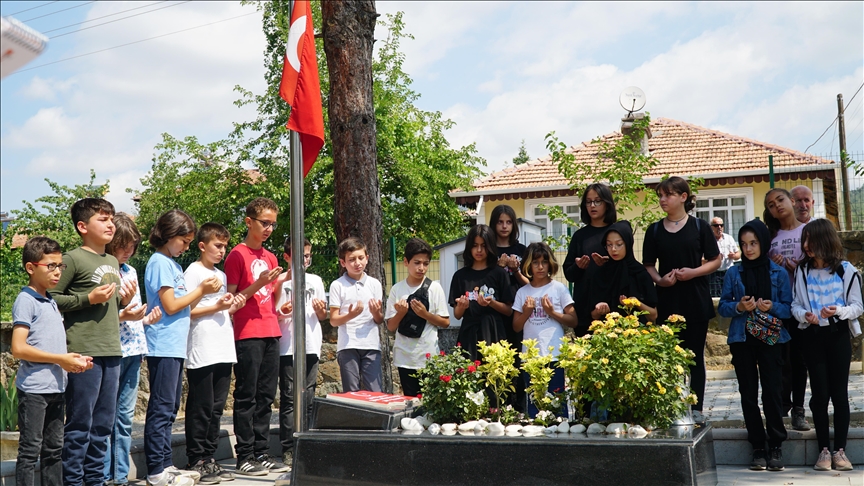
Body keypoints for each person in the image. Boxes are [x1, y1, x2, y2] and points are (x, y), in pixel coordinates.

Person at [49, 198, 138, 486]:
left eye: (111, 218)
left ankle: (96, 481)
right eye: (103, 219)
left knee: (103, 426)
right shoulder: (73, 259)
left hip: (113, 351)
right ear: (82, 226)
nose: (110, 224)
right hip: (82, 353)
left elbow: (109, 310)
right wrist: (89, 298)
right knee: (80, 426)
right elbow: (52, 299)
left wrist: (124, 304)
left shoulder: (113, 261)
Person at [144, 210, 221, 486]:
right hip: (162, 345)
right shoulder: (158, 262)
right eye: (184, 241)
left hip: (175, 346)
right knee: (162, 408)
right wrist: (201, 290)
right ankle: (156, 469)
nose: (186, 247)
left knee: (170, 406)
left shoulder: (173, 265)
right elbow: (171, 305)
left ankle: (166, 465)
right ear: (168, 235)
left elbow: (184, 306)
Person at [12, 237, 93, 486]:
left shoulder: (51, 301)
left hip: (57, 387)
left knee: (54, 450)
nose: (57, 271)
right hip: (35, 391)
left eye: (60, 266)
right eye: (50, 266)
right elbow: (18, 348)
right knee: (30, 451)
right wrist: (60, 359)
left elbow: (50, 344)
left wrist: (74, 361)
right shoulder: (26, 301)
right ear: (30, 267)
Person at [642, 177, 721, 423]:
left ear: (683, 197)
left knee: (694, 357)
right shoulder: (654, 230)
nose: (663, 200)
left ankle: (695, 409)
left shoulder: (699, 227)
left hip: (696, 300)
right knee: (668, 357)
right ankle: (671, 407)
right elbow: (648, 266)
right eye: (661, 196)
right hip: (667, 301)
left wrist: (692, 272)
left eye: (668, 195)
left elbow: (715, 260)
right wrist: (661, 280)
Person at [718, 219, 793, 472]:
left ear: (763, 242)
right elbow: (723, 306)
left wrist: (772, 307)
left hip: (771, 339)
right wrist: (740, 306)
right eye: (743, 244)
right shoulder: (733, 272)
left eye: (753, 243)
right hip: (742, 339)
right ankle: (758, 447)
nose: (748, 249)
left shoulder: (778, 273)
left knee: (772, 392)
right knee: (748, 394)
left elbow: (788, 309)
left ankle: (776, 445)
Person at [225, 197, 290, 475]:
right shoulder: (237, 255)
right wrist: (259, 283)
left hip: (271, 330)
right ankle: (245, 454)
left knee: (266, 395)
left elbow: (270, 296)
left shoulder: (271, 257)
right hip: (247, 332)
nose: (269, 229)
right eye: (265, 223)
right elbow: (232, 300)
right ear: (249, 221)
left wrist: (280, 303)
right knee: (247, 395)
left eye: (273, 224)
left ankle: (262, 451)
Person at [791, 219, 862, 472]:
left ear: (825, 240)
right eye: (805, 240)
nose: (807, 245)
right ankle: (823, 450)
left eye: (812, 240)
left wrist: (838, 311)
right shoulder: (802, 271)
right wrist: (804, 316)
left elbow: (857, 306)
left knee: (839, 394)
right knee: (819, 394)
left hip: (838, 334)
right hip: (812, 335)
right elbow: (795, 305)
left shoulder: (846, 270)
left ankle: (840, 451)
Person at [184, 223, 246, 483]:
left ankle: (209, 457)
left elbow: (220, 308)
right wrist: (217, 306)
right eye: (217, 246)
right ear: (202, 246)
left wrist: (232, 306)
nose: (222, 251)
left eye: (224, 246)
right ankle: (196, 458)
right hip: (202, 348)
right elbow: (185, 310)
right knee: (201, 405)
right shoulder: (193, 272)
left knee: (217, 408)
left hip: (223, 347)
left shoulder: (220, 275)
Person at [103, 214, 161, 486]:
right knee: (105, 417)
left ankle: (120, 475)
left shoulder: (131, 271)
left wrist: (145, 317)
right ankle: (102, 476)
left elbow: (133, 311)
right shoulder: (103, 271)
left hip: (135, 349)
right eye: (122, 246)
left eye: (132, 246)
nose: (128, 252)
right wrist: (124, 311)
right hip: (112, 350)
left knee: (125, 417)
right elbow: (100, 317)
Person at [275, 236, 327, 467]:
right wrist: (283, 309)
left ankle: (306, 442)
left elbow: (323, 316)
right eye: (299, 256)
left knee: (308, 397)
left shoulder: (316, 280)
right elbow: (273, 312)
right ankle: (288, 447)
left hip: (311, 345)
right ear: (287, 257)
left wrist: (320, 310)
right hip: (288, 346)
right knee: (289, 398)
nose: (305, 260)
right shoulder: (279, 281)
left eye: (307, 255)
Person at [511, 242, 577, 417]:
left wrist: (552, 312)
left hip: (554, 355)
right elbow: (516, 326)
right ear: (528, 265)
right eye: (535, 262)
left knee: (557, 406)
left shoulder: (559, 289)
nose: (540, 267)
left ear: (551, 264)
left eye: (544, 262)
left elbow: (573, 320)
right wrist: (526, 312)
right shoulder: (522, 292)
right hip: (531, 358)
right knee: (534, 407)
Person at [764, 187, 810, 431]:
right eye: (771, 204)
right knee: (780, 359)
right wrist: (772, 263)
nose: (777, 206)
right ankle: (781, 407)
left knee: (800, 360)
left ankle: (800, 410)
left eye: (780, 200)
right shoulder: (770, 235)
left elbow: (819, 262)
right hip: (778, 307)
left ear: (791, 201)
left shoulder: (808, 231)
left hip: (803, 305)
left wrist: (800, 266)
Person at [385, 238, 450, 397]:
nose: (422, 268)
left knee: (430, 402)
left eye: (426, 263)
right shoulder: (396, 289)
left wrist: (425, 314)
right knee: (410, 401)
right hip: (405, 358)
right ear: (406, 262)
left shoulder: (434, 288)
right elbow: (390, 327)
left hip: (428, 357)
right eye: (417, 262)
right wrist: (401, 313)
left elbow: (445, 322)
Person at [449, 224, 514, 362]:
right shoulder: (460, 276)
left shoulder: (499, 273)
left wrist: (492, 303)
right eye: (475, 245)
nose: (479, 250)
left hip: (494, 332)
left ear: (490, 246)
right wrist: (461, 306)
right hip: (468, 334)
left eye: (483, 245)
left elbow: (509, 311)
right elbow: (457, 314)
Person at [330, 237, 385, 392]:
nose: (357, 263)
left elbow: (379, 320)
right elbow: (334, 320)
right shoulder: (337, 285)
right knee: (351, 392)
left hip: (371, 345)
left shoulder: (374, 284)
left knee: (374, 391)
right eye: (352, 259)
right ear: (343, 263)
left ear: (367, 259)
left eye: (361, 258)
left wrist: (376, 313)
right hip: (348, 345)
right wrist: (351, 315)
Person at [563, 183, 618, 336]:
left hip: (612, 307)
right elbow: (569, 274)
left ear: (607, 204)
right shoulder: (580, 236)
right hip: (585, 308)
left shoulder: (617, 232)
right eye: (588, 201)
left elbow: (627, 268)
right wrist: (578, 266)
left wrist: (609, 263)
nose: (592, 205)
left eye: (597, 201)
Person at [489, 204, 528, 410]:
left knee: (518, 359)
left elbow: (532, 284)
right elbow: (483, 280)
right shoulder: (487, 250)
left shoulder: (522, 250)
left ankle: (521, 405)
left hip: (520, 311)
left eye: (509, 222)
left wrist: (515, 270)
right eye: (500, 222)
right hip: (495, 312)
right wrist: (498, 267)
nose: (504, 226)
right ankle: (498, 405)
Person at [586, 221, 657, 323]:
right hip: (607, 334)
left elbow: (653, 315)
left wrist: (636, 303)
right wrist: (599, 310)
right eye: (609, 245)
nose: (613, 249)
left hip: (638, 334)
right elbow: (593, 315)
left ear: (628, 244)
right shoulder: (601, 273)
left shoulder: (640, 273)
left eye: (619, 244)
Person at [707, 217, 741, 297]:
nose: (719, 227)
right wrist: (714, 258)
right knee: (716, 296)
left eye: (721, 225)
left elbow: (738, 254)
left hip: (728, 272)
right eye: (716, 225)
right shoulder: (708, 240)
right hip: (714, 273)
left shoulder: (729, 238)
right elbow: (702, 260)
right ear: (711, 227)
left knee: (730, 294)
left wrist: (733, 256)